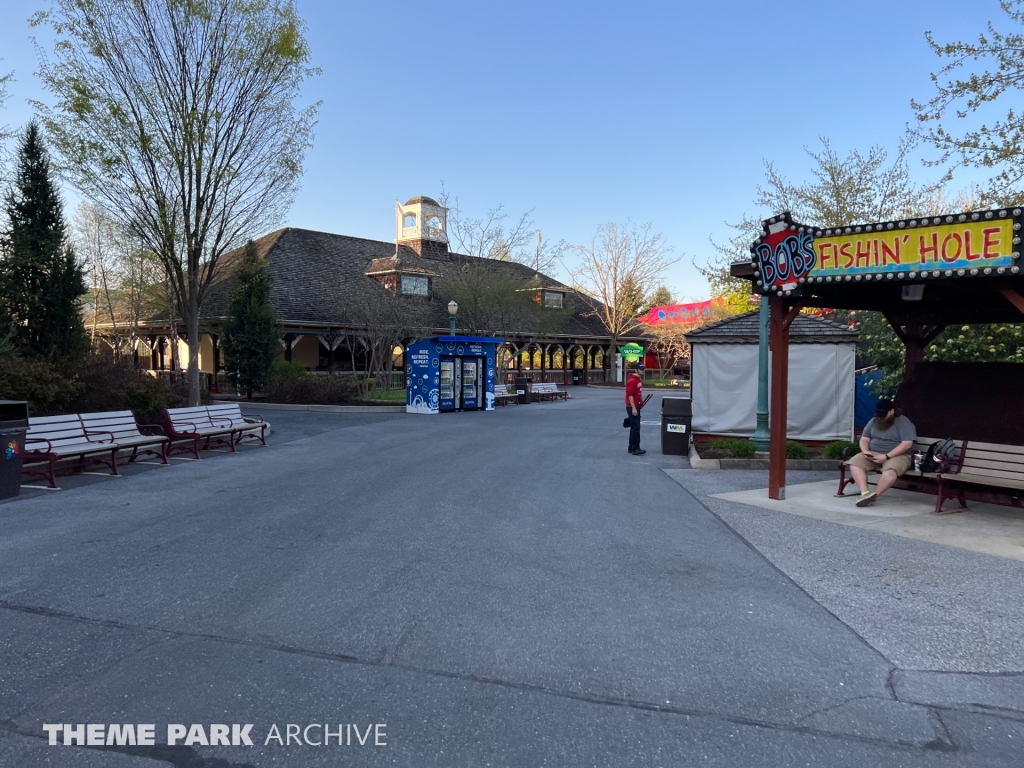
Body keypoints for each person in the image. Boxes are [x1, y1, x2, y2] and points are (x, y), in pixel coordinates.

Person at [847, 398, 917, 507]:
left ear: (892, 411)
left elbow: (907, 444)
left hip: (897, 455)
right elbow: (864, 438)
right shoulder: (874, 420)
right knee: (854, 463)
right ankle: (865, 493)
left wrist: (887, 456)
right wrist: (865, 451)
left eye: (884, 414)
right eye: (879, 414)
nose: (881, 417)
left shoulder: (903, 422)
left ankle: (874, 496)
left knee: (890, 471)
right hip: (873, 453)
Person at [625, 363, 645, 455]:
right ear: (636, 370)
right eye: (641, 369)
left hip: (637, 405)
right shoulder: (632, 381)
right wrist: (634, 408)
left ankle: (631, 447)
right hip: (632, 406)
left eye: (643, 369)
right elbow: (630, 395)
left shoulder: (638, 380)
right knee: (636, 428)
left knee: (634, 427)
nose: (643, 370)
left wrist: (640, 402)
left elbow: (637, 394)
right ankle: (635, 448)